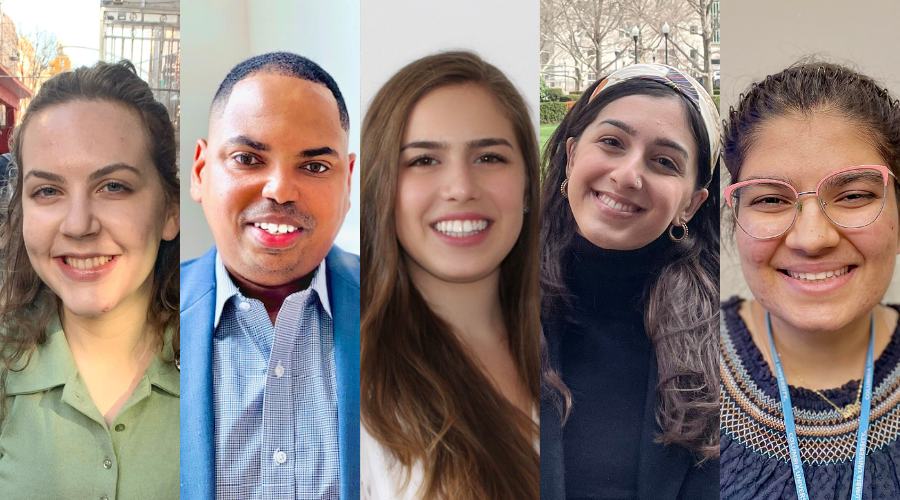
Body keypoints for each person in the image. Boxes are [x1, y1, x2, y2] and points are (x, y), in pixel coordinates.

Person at [359, 51, 540, 500]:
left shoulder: (581, 344)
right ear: (383, 190)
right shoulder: (344, 384)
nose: (461, 187)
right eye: (423, 161)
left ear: (527, 187)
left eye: (490, 157)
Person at [180, 52, 359, 500]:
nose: (279, 189)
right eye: (247, 158)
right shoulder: (141, 315)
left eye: (314, 166)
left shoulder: (414, 311)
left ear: (348, 182)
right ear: (201, 171)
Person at [540, 63, 721, 500]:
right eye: (611, 142)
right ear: (571, 154)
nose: (626, 175)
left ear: (691, 205)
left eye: (664, 161)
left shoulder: (731, 347)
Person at [720, 62, 900, 499]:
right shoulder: (677, 370)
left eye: (854, 195)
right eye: (770, 199)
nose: (812, 239)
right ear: (735, 218)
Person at [0, 60, 180, 497]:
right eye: (48, 191)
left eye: (113, 186)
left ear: (170, 211)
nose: (78, 225)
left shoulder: (224, 368)